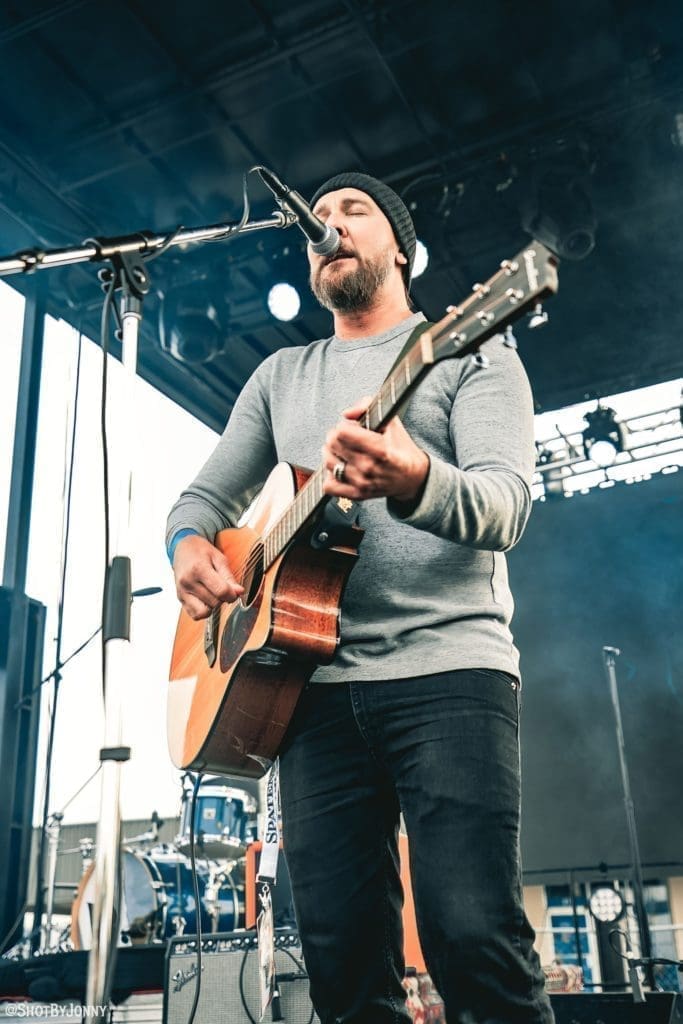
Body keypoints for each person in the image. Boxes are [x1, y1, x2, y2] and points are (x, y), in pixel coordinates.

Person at [166, 171, 555, 1024]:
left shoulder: (472, 346)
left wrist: (413, 479)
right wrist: (188, 547)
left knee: (472, 933)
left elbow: (506, 507)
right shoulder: (281, 376)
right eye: (319, 219)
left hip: (449, 671)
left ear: (401, 246)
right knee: (341, 958)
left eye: (354, 211)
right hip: (313, 692)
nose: (328, 225)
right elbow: (199, 504)